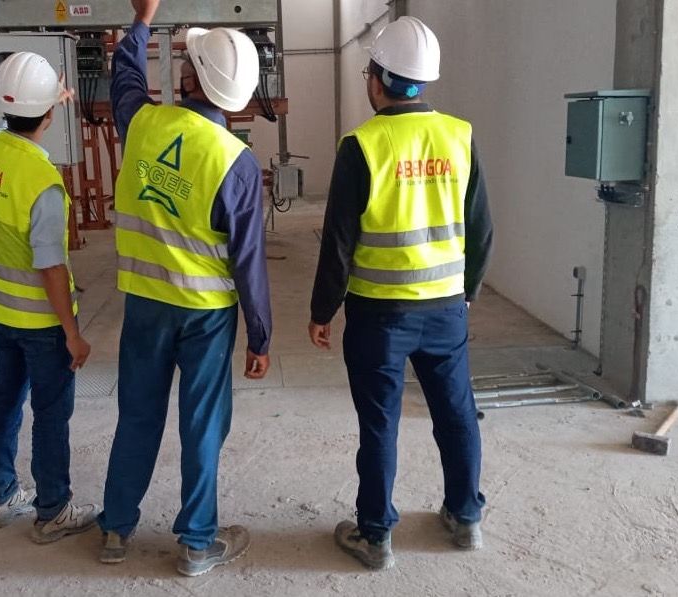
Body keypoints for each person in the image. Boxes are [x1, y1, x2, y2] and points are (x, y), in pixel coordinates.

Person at [308, 16, 493, 570]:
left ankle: (376, 536)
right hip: (445, 310)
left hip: (379, 315)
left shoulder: (362, 145)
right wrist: (467, 291)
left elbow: (339, 242)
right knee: (456, 413)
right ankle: (465, 517)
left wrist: (322, 310)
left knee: (379, 423)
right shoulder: (459, 135)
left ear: (379, 80)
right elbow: (481, 228)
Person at [97, 0, 272, 577]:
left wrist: (141, 22)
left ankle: (115, 528)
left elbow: (125, 78)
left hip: (146, 305)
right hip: (206, 316)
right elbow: (249, 263)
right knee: (202, 424)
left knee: (137, 414)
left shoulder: (143, 124)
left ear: (192, 79)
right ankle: (197, 544)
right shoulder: (236, 163)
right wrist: (260, 336)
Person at [0, 51, 99, 544]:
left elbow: (16, 122)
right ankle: (52, 510)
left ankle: (1, 495)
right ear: (47, 115)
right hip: (41, 323)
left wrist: (48, 99)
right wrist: (72, 333)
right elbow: (50, 266)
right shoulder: (43, 183)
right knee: (50, 413)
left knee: (5, 400)